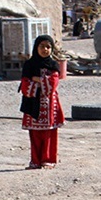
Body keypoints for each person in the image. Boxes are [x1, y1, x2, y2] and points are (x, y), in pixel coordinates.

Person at [19, 34, 64, 170]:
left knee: (49, 133)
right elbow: (24, 85)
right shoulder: (29, 65)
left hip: (49, 104)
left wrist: (36, 79)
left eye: (48, 47)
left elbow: (52, 84)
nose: (45, 49)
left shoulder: (53, 65)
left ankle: (48, 160)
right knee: (34, 134)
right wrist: (41, 82)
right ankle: (36, 161)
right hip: (32, 104)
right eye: (42, 46)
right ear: (36, 47)